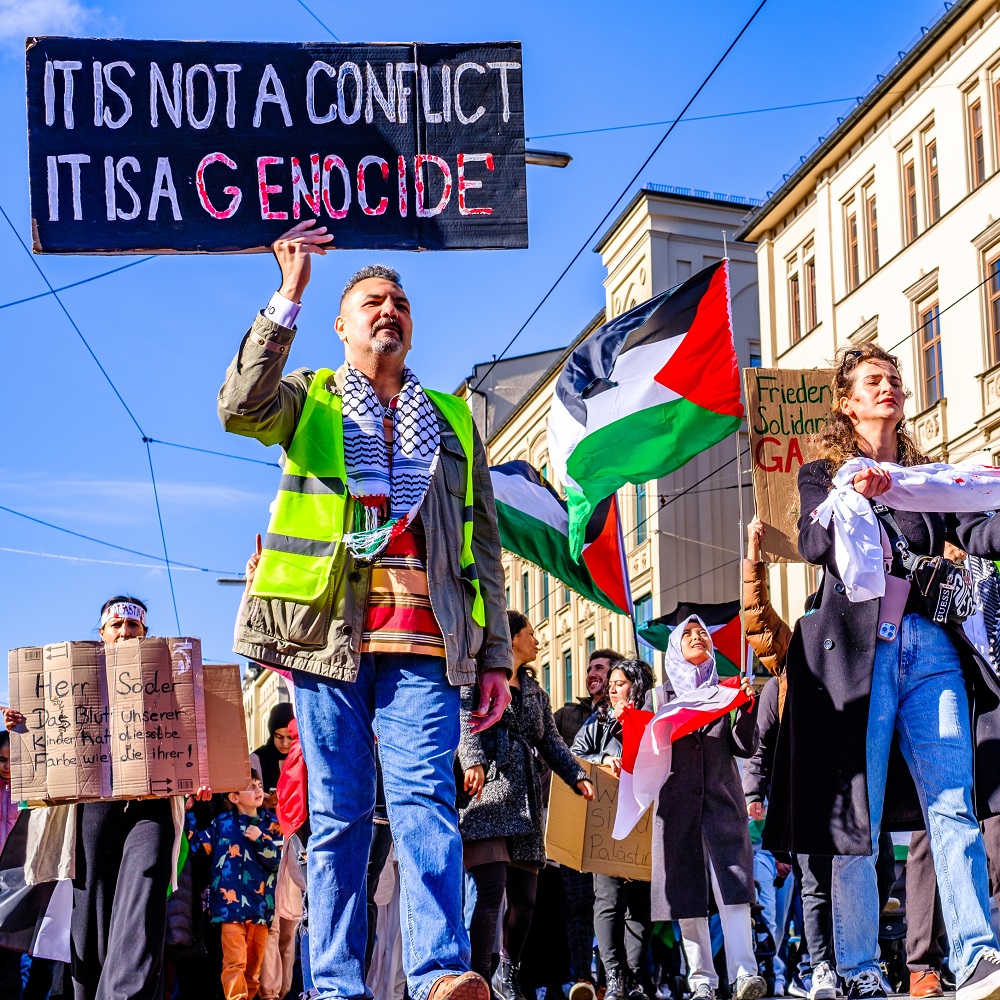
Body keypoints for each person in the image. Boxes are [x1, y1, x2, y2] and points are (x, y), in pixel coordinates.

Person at [219, 219, 512, 1000]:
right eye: (372, 301)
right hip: (325, 644)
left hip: (425, 646)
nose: (389, 308)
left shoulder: (452, 419)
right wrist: (289, 293)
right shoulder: (310, 398)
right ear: (343, 326)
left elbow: (483, 546)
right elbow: (240, 406)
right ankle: (339, 985)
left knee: (426, 807)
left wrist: (496, 660)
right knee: (342, 816)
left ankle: (439, 975)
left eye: (400, 301)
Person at [769, 342, 1000, 1000]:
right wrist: (854, 497)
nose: (890, 388)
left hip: (931, 654)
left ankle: (978, 957)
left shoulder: (929, 475)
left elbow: (978, 533)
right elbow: (816, 545)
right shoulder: (823, 474)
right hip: (858, 662)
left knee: (952, 804)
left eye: (894, 379)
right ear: (848, 402)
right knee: (858, 820)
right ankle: (859, 965)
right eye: (875, 381)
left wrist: (993, 493)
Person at [3, 596, 211, 1000]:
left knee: (146, 884)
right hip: (92, 807)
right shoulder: (71, 684)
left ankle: (123, 994)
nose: (124, 632)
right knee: (92, 903)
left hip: (152, 806)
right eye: (116, 625)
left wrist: (201, 773)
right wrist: (22, 723)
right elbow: (44, 745)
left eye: (133, 626)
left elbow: (198, 735)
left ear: (145, 634)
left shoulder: (171, 679)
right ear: (101, 634)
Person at [457, 612, 594, 1000]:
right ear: (511, 638)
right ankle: (479, 976)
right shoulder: (478, 677)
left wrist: (576, 776)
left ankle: (507, 971)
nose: (536, 640)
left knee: (526, 902)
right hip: (486, 796)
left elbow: (550, 742)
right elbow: (464, 721)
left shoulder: (535, 691)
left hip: (526, 803)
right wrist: (473, 762)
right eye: (530, 633)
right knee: (490, 890)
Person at [645, 617, 764, 1000]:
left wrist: (746, 709)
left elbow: (745, 747)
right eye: (689, 635)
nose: (699, 638)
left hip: (721, 807)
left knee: (734, 890)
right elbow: (642, 752)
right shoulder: (658, 699)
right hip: (677, 811)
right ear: (675, 648)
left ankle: (745, 974)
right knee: (687, 897)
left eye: (703, 635)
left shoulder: (725, 692)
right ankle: (702, 980)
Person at [571, 659, 655, 1000]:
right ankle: (615, 977)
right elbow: (573, 756)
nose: (612, 689)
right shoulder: (598, 723)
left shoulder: (653, 721)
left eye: (619, 683)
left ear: (636, 686)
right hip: (607, 826)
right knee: (608, 901)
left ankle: (636, 980)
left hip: (644, 826)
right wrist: (603, 761)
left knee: (640, 906)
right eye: (611, 685)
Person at [554, 647, 621, 1000]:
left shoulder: (626, 714)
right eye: (590, 668)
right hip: (577, 824)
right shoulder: (566, 715)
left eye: (601, 668)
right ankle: (583, 978)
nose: (592, 673)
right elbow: (554, 754)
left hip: (616, 827)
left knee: (614, 905)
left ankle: (617, 978)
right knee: (579, 905)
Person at [190, 769, 280, 1000]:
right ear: (233, 797)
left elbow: (277, 863)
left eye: (259, 785)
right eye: (250, 786)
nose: (258, 790)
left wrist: (260, 838)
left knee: (252, 972)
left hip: (260, 909)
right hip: (229, 911)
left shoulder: (271, 824)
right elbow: (197, 848)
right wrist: (189, 811)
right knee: (233, 964)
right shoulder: (221, 824)